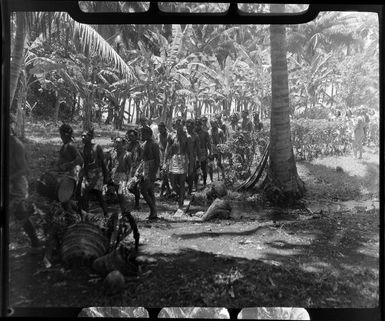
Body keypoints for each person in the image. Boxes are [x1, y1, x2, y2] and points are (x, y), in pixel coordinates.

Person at [9, 115, 42, 252]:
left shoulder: (16, 145)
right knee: (19, 213)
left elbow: (24, 169)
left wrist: (8, 179)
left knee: (20, 214)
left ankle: (35, 243)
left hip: (16, 185)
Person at [79, 128, 109, 217]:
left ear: (90, 137)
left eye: (85, 136)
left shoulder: (97, 147)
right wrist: (84, 175)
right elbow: (85, 163)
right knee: (84, 194)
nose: (83, 137)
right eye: (82, 136)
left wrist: (106, 176)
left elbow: (103, 163)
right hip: (88, 174)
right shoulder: (84, 149)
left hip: (97, 173)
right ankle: (86, 215)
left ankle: (106, 214)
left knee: (99, 196)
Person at [56, 124, 83, 209]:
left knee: (67, 202)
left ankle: (81, 218)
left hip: (71, 179)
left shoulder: (71, 145)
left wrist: (68, 165)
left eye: (61, 135)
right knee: (66, 202)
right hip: (65, 178)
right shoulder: (65, 145)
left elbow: (80, 159)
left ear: (65, 135)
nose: (60, 137)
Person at [164, 118, 189, 209]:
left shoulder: (186, 136)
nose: (178, 125)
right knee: (172, 182)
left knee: (182, 182)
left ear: (182, 125)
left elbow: (189, 151)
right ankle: (180, 194)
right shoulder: (171, 135)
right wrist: (165, 162)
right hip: (173, 159)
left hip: (183, 159)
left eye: (180, 124)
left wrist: (190, 163)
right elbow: (167, 149)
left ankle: (181, 201)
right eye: (177, 124)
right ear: (174, 125)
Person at [138, 126, 160, 220]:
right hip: (146, 168)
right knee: (150, 190)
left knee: (143, 190)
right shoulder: (144, 144)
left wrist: (153, 173)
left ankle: (153, 210)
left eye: (143, 133)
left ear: (148, 134)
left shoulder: (154, 144)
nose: (141, 135)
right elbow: (143, 160)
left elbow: (157, 160)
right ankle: (153, 212)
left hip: (151, 168)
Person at [125, 128, 142, 209]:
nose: (130, 137)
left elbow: (141, 158)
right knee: (129, 186)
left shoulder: (139, 145)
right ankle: (131, 203)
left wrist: (138, 169)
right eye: (129, 136)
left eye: (132, 136)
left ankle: (137, 203)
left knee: (135, 186)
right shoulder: (128, 144)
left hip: (136, 168)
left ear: (136, 136)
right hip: (129, 167)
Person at [185, 119, 201, 194]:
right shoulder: (184, 134)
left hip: (192, 157)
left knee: (190, 174)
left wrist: (199, 160)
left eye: (190, 126)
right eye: (187, 126)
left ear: (193, 127)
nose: (188, 128)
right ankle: (187, 186)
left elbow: (198, 149)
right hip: (183, 157)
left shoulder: (196, 136)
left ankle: (190, 189)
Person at [195, 118, 211, 187]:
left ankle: (204, 182)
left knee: (204, 167)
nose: (197, 126)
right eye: (196, 125)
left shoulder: (205, 133)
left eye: (199, 125)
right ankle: (196, 183)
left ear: (201, 125)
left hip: (203, 151)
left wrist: (210, 152)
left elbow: (208, 143)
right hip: (194, 152)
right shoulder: (193, 133)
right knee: (195, 168)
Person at [157, 122, 171, 197]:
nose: (159, 130)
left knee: (165, 174)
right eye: (158, 129)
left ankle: (162, 191)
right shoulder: (158, 135)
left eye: (161, 129)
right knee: (163, 174)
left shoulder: (169, 135)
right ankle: (168, 189)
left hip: (168, 156)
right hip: (161, 156)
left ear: (164, 128)